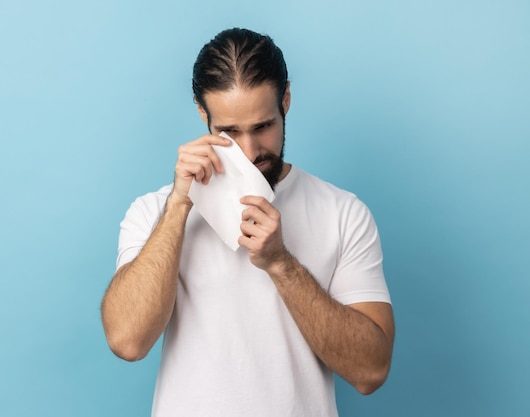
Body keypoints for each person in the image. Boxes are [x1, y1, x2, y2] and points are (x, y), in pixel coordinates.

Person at [101, 27, 395, 417]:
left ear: (285, 100)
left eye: (263, 127)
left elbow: (370, 371)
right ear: (202, 113)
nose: (250, 151)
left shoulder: (343, 213)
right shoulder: (153, 211)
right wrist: (178, 207)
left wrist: (281, 264)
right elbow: (127, 341)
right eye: (229, 132)